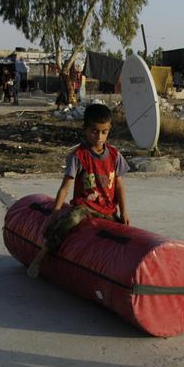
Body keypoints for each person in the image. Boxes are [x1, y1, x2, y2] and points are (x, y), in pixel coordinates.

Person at [28, 103, 130, 278]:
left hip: (108, 209)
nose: (99, 137)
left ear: (109, 130)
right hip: (86, 207)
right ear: (85, 129)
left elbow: (119, 185)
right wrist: (55, 211)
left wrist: (124, 211)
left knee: (123, 236)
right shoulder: (79, 156)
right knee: (70, 221)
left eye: (104, 132)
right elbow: (65, 187)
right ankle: (42, 255)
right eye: (94, 131)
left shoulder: (114, 155)